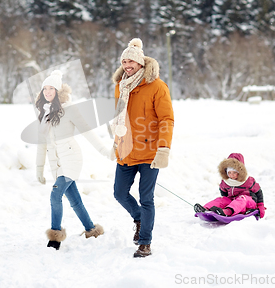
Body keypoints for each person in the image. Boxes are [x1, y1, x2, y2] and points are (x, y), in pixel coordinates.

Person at [35, 70, 113, 250]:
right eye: (44, 89)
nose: (47, 92)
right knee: (75, 200)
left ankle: (54, 239)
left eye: (51, 88)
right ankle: (91, 229)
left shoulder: (69, 109)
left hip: (71, 160)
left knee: (55, 195)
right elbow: (42, 145)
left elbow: (87, 131)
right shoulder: (44, 114)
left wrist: (104, 151)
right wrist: (39, 169)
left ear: (58, 91)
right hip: (57, 165)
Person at [111, 38, 174, 258]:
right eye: (124, 61)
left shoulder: (157, 86)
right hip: (126, 150)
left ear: (140, 63)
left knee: (146, 198)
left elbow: (166, 119)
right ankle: (139, 218)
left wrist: (163, 148)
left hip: (150, 152)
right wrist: (116, 142)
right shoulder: (121, 86)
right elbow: (119, 117)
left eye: (131, 61)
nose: (127, 65)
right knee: (119, 193)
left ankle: (145, 242)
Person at [194, 153, 266, 218]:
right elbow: (222, 190)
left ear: (240, 172)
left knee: (242, 198)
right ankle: (205, 209)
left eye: (234, 172)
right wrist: (225, 200)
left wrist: (260, 206)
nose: (232, 175)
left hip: (248, 202)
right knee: (221, 199)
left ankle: (227, 211)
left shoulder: (248, 180)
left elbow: (258, 192)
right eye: (229, 172)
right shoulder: (226, 181)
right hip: (233, 202)